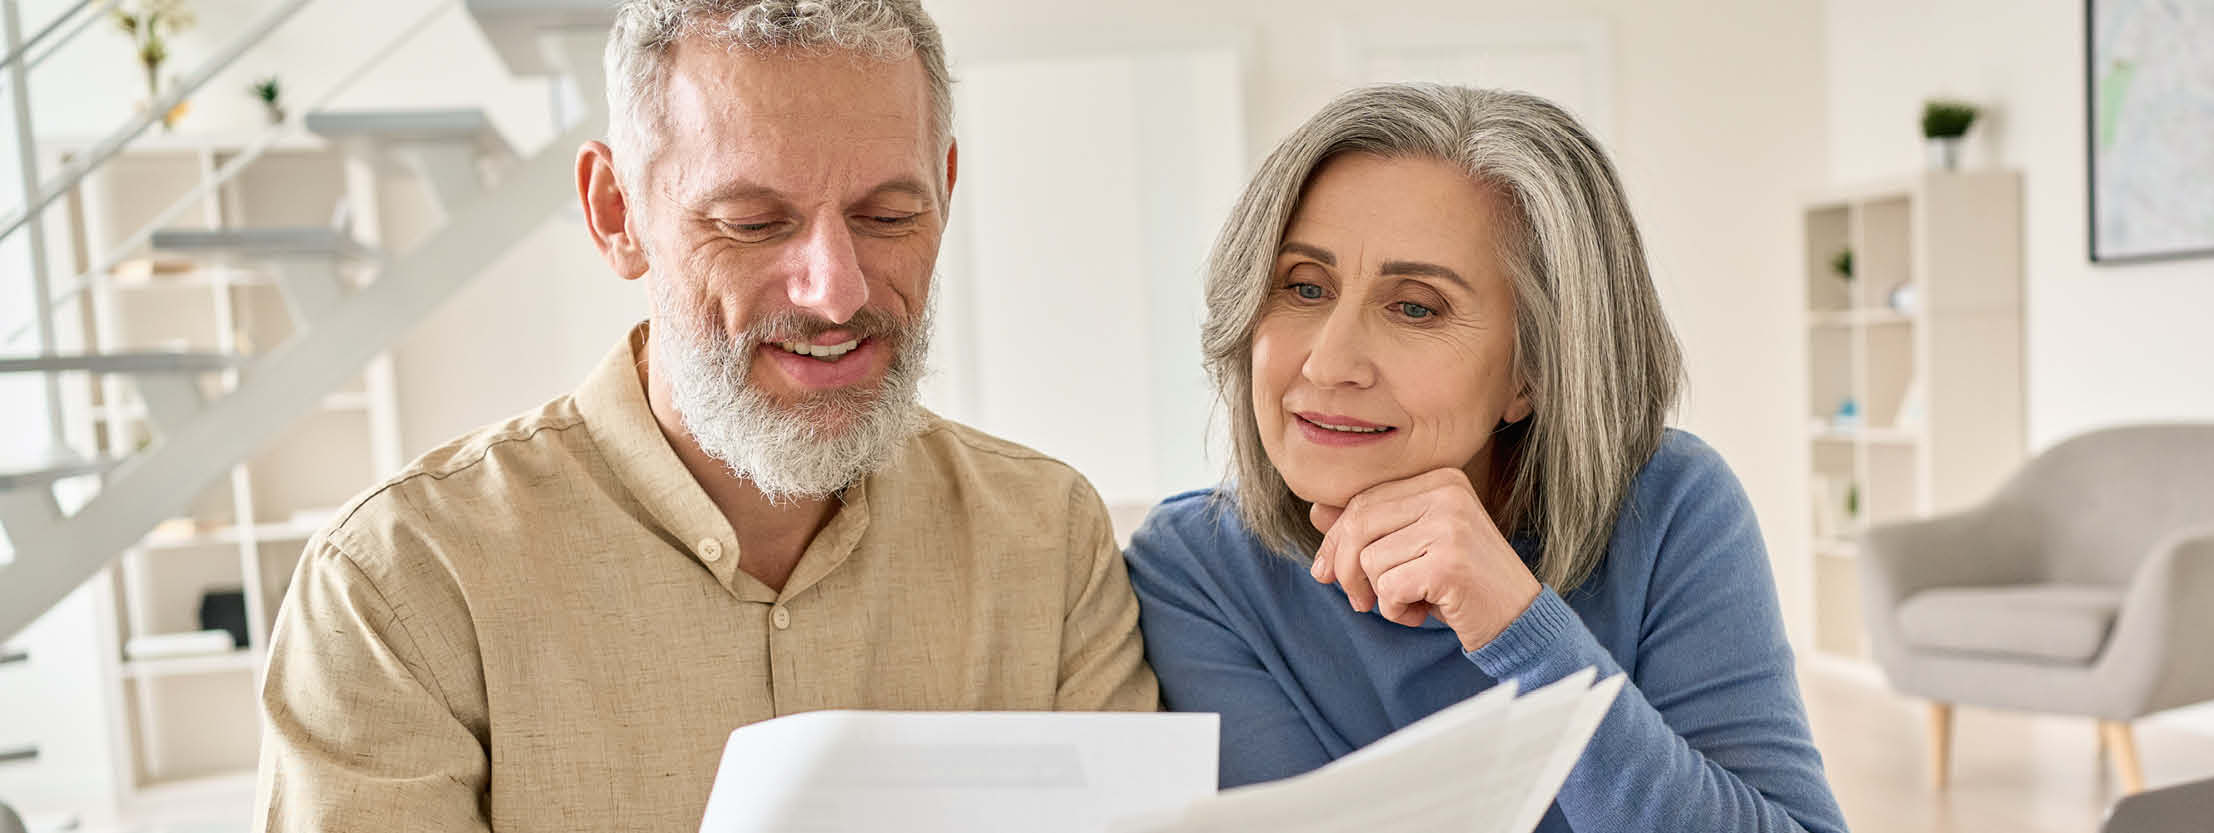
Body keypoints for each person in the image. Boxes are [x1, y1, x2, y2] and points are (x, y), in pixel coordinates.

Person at [253, 2, 1157, 830]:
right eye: (753, 223)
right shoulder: (401, 584)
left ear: (946, 191)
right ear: (617, 214)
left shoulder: (1051, 541)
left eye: (887, 214)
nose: (836, 293)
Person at [1124, 83, 1847, 833]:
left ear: (1532, 368)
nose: (1329, 361)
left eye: (1415, 306)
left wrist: (1525, 631)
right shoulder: (1195, 571)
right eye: (1304, 287)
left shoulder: (1670, 508)